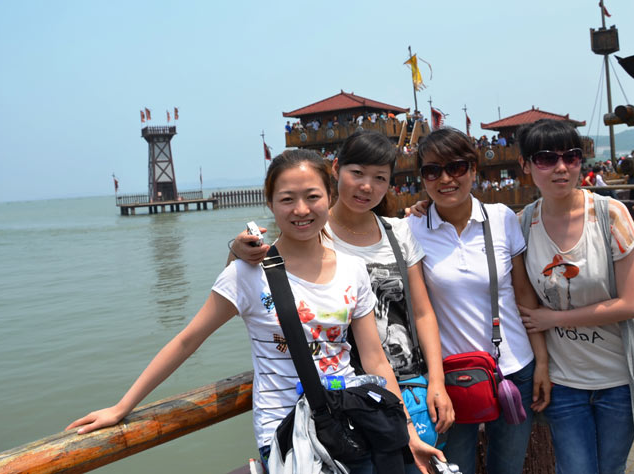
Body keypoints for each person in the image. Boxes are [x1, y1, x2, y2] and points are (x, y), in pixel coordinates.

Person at [66, 149, 415, 473]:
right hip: (286, 431)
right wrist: (121, 408)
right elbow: (188, 340)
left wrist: (408, 432)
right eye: (287, 199)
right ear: (270, 203)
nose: (301, 210)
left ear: (330, 197)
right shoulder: (247, 273)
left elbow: (375, 359)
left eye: (312, 196)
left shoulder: (352, 269)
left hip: (354, 419)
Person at [229, 132, 452, 474]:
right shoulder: (310, 231)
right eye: (357, 173)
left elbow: (422, 312)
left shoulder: (399, 231)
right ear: (336, 170)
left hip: (406, 386)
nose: (367, 186)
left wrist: (437, 380)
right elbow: (258, 281)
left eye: (380, 178)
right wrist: (234, 251)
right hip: (350, 396)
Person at [406, 127, 551, 474]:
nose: (445, 179)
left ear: (473, 169)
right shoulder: (411, 228)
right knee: (455, 468)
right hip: (452, 377)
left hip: (513, 370)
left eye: (456, 167)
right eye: (432, 171)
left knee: (508, 468)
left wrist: (542, 362)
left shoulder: (501, 218)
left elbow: (523, 295)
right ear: (422, 178)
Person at [514, 119, 634, 474]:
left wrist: (555, 319)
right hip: (563, 380)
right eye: (546, 159)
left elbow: (632, 304)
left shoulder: (610, 215)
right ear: (526, 165)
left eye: (571, 157)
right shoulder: (522, 224)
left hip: (618, 378)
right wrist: (423, 209)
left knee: (611, 468)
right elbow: (527, 304)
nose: (561, 167)